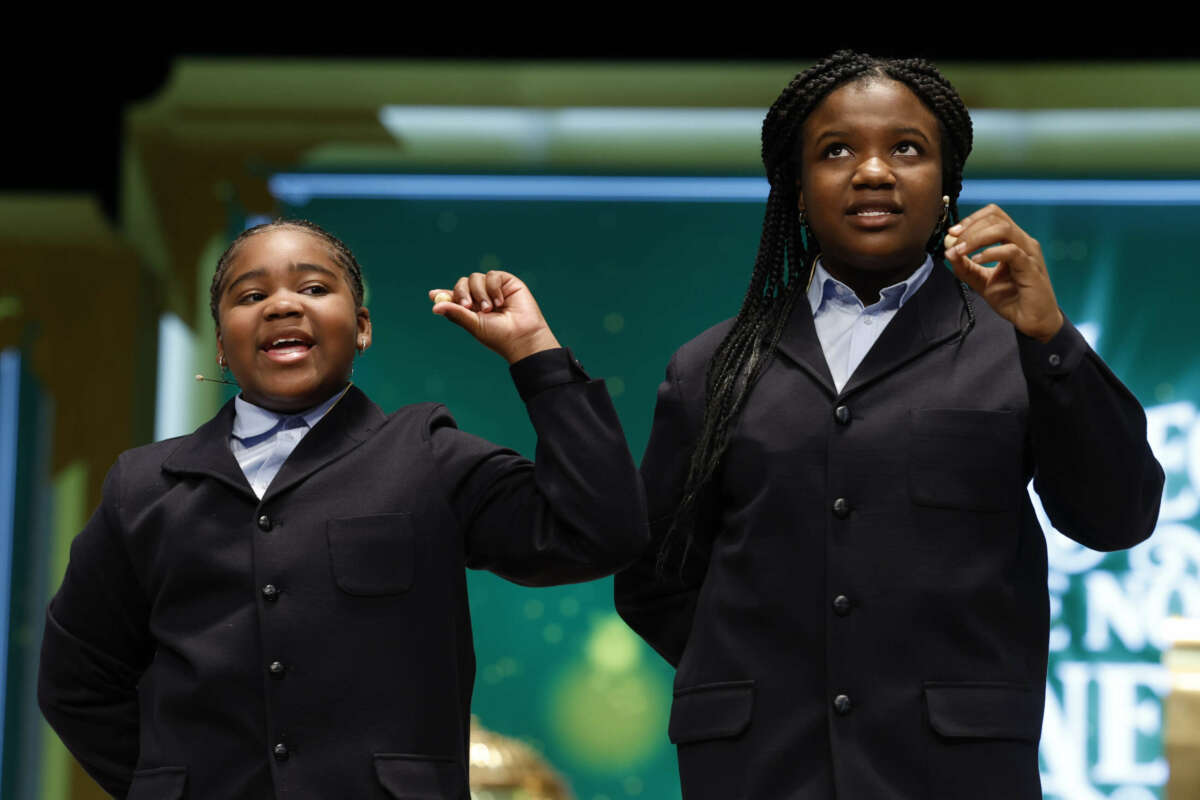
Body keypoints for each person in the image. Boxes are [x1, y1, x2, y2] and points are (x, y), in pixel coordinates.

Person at [614, 51, 1164, 800]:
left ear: (946, 188)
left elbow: (1119, 517)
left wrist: (1051, 340)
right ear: (797, 188)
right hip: (758, 772)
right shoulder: (708, 366)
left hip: (955, 772)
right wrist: (758, 681)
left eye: (907, 148)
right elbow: (654, 579)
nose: (873, 171)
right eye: (835, 151)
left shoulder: (1020, 349)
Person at [38, 219, 648, 799]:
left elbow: (598, 531)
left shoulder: (428, 455)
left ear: (362, 327)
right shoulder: (143, 486)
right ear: (221, 344)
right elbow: (76, 682)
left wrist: (534, 353)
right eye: (250, 295)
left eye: (312, 287)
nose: (282, 304)